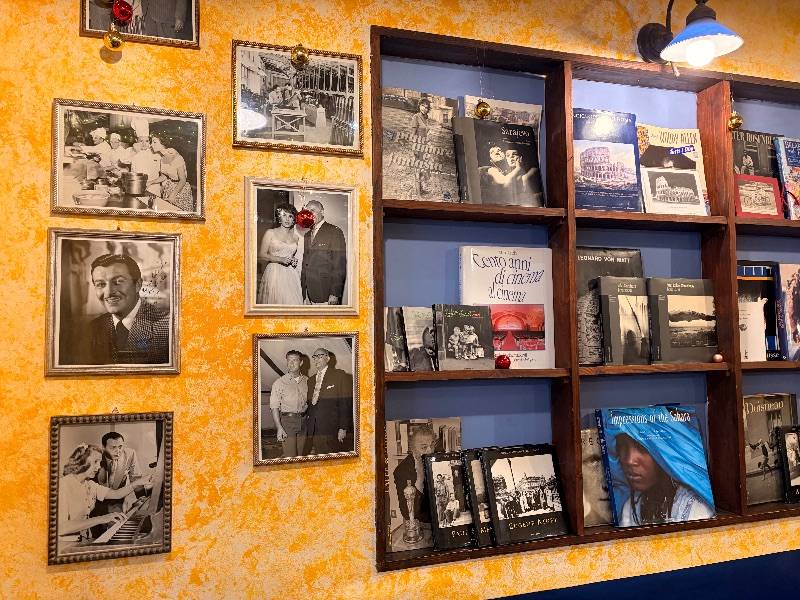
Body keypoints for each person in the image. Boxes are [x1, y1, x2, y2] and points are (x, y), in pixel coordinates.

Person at [58, 443, 151, 544]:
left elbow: (116, 494)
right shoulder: (62, 485)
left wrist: (139, 482)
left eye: (100, 462)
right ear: (82, 461)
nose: (99, 467)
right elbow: (61, 528)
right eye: (95, 462)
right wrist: (103, 518)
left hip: (83, 541)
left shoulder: (89, 484)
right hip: (64, 545)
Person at [87, 253, 170, 365]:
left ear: (138, 285)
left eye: (118, 282)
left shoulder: (167, 327)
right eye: (101, 284)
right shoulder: (93, 328)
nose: (108, 293)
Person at [616, 433, 715, 526]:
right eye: (622, 446)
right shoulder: (632, 506)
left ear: (665, 452)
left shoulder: (695, 506)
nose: (629, 460)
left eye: (643, 446)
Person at [304, 348, 353, 455]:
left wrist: (343, 428)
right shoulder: (310, 380)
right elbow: (311, 404)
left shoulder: (339, 375)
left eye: (320, 356)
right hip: (314, 429)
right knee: (320, 457)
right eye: (314, 357)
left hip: (332, 429)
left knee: (333, 459)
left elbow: (345, 404)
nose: (316, 359)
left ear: (328, 358)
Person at [300, 199, 346, 305]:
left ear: (322, 212)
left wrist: (335, 293)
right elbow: (306, 263)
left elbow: (339, 265)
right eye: (307, 212)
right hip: (308, 292)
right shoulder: (307, 235)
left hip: (325, 292)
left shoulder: (334, 231)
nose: (309, 214)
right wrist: (303, 290)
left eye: (313, 210)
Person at [257, 204, 303, 305]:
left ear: (294, 220)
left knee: (292, 303)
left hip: (291, 274)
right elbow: (261, 254)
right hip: (274, 272)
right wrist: (280, 259)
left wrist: (293, 260)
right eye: (284, 215)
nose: (287, 219)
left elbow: (289, 254)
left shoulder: (296, 237)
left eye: (290, 216)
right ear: (279, 217)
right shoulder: (270, 233)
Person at [393, 425, 436, 527]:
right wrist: (420, 480)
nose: (430, 451)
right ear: (412, 448)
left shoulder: (436, 458)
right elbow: (408, 513)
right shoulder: (401, 471)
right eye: (424, 447)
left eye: (432, 445)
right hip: (422, 524)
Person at [269, 350, 308, 458]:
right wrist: (279, 427)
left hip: (304, 421)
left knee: (301, 455)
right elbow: (274, 407)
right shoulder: (279, 383)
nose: (291, 363)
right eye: (289, 360)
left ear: (301, 363)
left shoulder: (307, 381)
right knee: (290, 456)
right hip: (287, 423)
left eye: (294, 360)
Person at [149, 134, 193, 213]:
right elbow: (164, 176)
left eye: (154, 142)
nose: (151, 145)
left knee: (180, 214)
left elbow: (183, 180)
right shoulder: (162, 159)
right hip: (169, 187)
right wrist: (150, 182)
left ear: (163, 143)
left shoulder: (176, 157)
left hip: (181, 189)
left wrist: (173, 194)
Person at [409, 97, 434, 195]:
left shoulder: (426, 118)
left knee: (423, 169)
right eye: (422, 106)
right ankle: (418, 192)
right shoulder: (416, 117)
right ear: (419, 106)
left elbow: (426, 133)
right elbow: (413, 134)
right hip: (418, 147)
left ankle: (421, 189)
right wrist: (414, 148)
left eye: (426, 107)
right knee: (418, 169)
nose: (424, 108)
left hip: (425, 148)